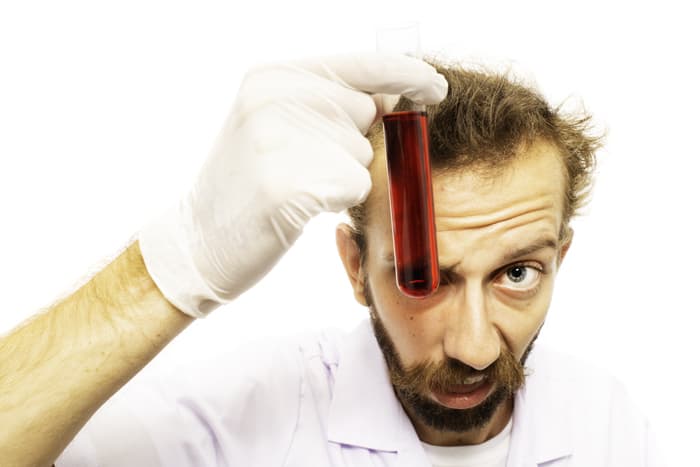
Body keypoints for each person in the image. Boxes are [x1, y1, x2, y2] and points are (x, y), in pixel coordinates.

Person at [0, 53, 660, 467]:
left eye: (518, 272)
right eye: (423, 275)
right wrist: (173, 264)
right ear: (354, 265)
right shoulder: (242, 419)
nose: (476, 347)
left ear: (560, 257)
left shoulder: (606, 418)